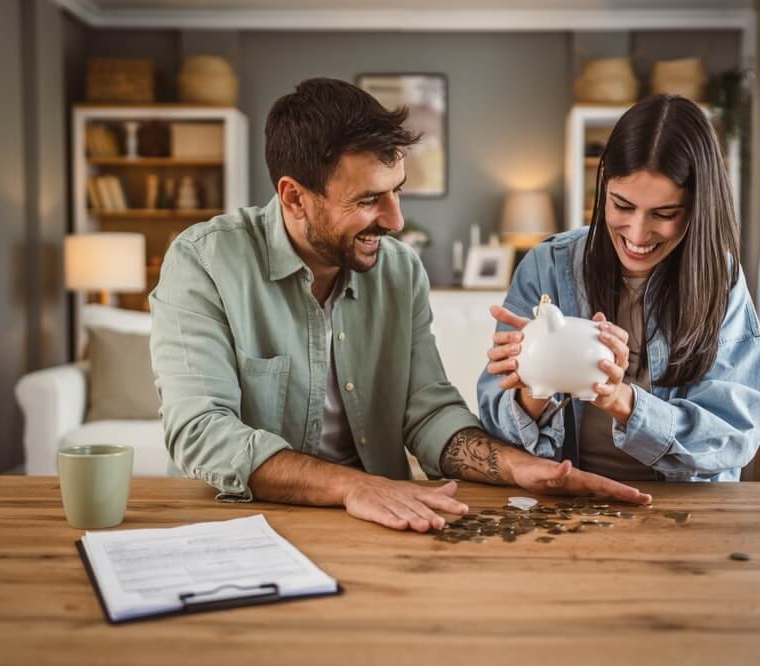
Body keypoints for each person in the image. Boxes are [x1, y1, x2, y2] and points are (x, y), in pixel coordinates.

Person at [150, 78, 652, 535]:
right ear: (294, 197)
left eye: (398, 191)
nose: (394, 220)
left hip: (383, 523)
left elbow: (428, 411)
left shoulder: (399, 270)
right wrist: (351, 485)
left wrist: (518, 466)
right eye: (369, 199)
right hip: (237, 525)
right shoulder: (204, 262)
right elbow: (201, 432)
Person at [479, 94, 760, 482]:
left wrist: (623, 400)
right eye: (621, 205)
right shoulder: (547, 266)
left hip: (685, 512)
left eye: (665, 214)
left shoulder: (720, 281)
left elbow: (735, 433)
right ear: (603, 188)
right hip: (568, 499)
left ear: (699, 208)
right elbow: (494, 430)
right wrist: (533, 384)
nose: (637, 234)